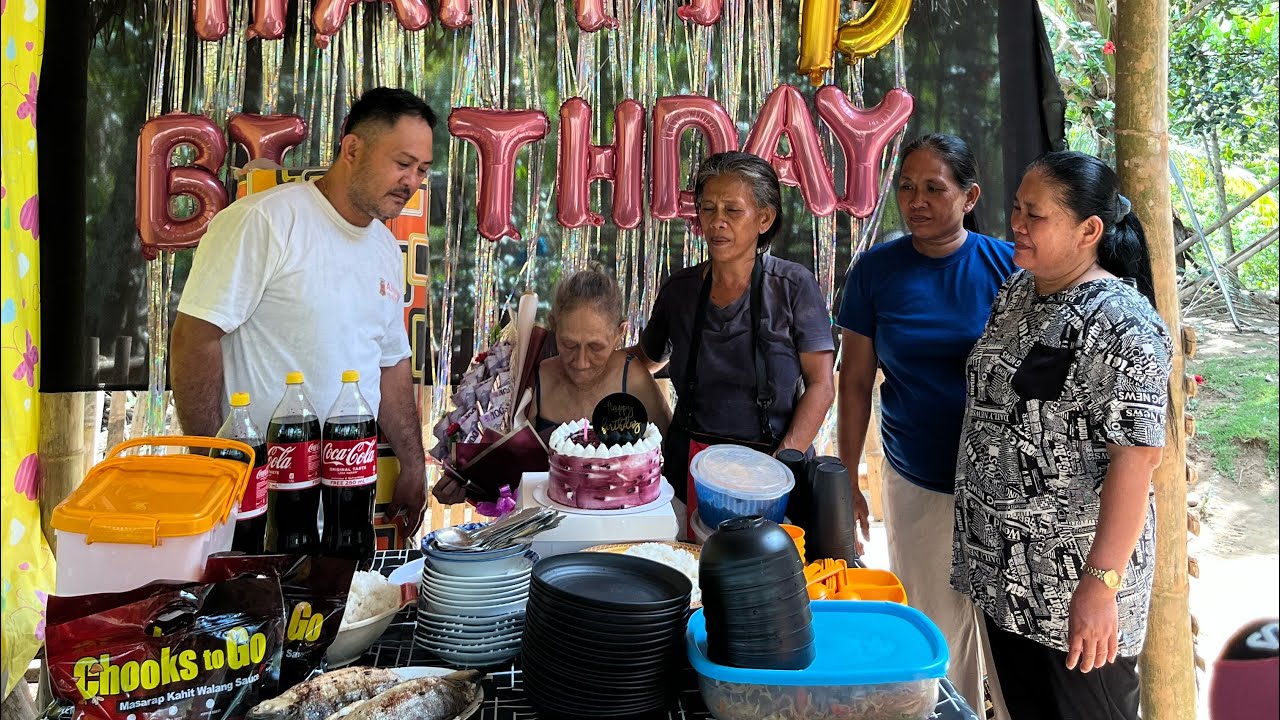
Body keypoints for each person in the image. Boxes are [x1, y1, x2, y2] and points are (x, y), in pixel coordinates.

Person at [951, 151, 1173, 720]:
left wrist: (1100, 587)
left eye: (1035, 215)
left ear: (1089, 231)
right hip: (1004, 576)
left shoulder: (1121, 322)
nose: (1016, 225)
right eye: (1017, 209)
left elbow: (1136, 461)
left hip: (1071, 592)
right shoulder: (1018, 294)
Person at [172, 87, 436, 537]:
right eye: (402, 163)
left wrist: (413, 464)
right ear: (352, 149)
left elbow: (391, 365)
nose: (411, 182)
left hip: (345, 506)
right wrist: (210, 466)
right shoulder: (263, 221)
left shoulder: (386, 250)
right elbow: (195, 336)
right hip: (254, 504)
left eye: (422, 170)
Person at [835, 133, 1014, 715]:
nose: (916, 200)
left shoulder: (1008, 266)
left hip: (1007, 489)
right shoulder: (876, 272)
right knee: (933, 632)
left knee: (1011, 636)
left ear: (969, 197)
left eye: (934, 188)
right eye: (906, 187)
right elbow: (856, 381)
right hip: (917, 479)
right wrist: (847, 476)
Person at [633, 151, 836, 515]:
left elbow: (822, 386)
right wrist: (581, 362)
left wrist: (780, 466)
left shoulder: (793, 286)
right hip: (689, 470)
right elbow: (643, 362)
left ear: (764, 218)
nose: (717, 222)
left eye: (732, 210)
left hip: (773, 466)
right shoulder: (680, 290)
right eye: (708, 209)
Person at [430, 264, 672, 505]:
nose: (581, 361)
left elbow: (670, 455)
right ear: (554, 327)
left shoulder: (633, 379)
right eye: (568, 345)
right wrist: (466, 486)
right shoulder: (536, 379)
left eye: (596, 347)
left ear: (620, 332)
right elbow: (506, 476)